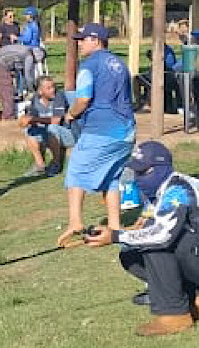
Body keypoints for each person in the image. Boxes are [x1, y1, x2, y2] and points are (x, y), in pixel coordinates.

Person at [82, 141, 199, 337]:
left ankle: (174, 316)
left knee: (155, 240)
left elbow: (162, 234)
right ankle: (197, 296)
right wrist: (123, 234)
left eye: (143, 172)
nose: (137, 179)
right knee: (130, 254)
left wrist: (115, 235)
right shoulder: (162, 190)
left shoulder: (177, 189)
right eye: (135, 173)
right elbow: (149, 225)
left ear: (161, 168)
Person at [56, 23, 137, 247]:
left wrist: (70, 115)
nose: (80, 43)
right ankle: (115, 226)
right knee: (111, 177)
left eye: (83, 39)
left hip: (102, 130)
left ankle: (75, 222)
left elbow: (83, 100)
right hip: (126, 131)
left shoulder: (89, 66)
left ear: (96, 40)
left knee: (75, 171)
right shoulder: (120, 64)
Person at [19, 76, 74, 177]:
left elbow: (56, 121)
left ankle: (56, 164)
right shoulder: (35, 100)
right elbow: (32, 119)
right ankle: (40, 165)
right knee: (28, 131)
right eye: (48, 88)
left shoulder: (59, 96)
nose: (53, 89)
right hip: (49, 133)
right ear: (40, 91)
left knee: (52, 128)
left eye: (53, 86)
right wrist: (25, 120)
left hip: (68, 134)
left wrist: (33, 119)